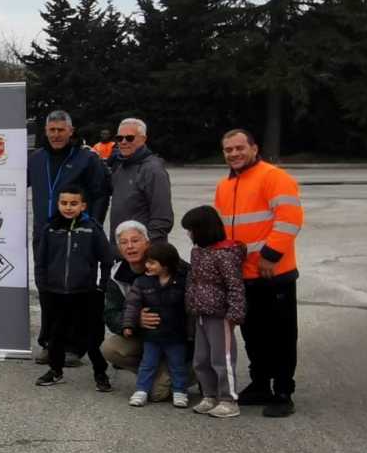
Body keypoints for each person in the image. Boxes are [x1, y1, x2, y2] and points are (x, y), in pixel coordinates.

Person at [215, 129, 304, 417]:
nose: (234, 154)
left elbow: (290, 219)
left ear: (254, 149)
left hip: (273, 274)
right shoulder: (225, 186)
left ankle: (283, 392)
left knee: (281, 335)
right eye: (228, 150)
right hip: (242, 276)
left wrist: (270, 255)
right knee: (253, 334)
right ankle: (260, 384)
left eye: (239, 148)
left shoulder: (274, 177)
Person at [28, 109, 110, 363]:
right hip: (45, 234)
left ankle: (74, 346)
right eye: (51, 130)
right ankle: (50, 342)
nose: (56, 135)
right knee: (46, 289)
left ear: (70, 131)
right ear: (45, 131)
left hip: (77, 235)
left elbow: (101, 193)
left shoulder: (87, 158)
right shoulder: (36, 159)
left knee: (77, 290)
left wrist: (92, 226)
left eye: (61, 130)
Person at [33, 184, 114, 391]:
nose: (68, 207)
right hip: (55, 292)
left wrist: (102, 286)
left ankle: (100, 373)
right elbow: (41, 261)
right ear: (58, 204)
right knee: (55, 335)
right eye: (64, 203)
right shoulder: (50, 229)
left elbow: (107, 259)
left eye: (74, 203)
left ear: (83, 206)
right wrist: (43, 287)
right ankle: (55, 370)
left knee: (92, 337)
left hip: (85, 293)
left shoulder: (92, 229)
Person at [102, 220, 188, 401]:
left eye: (135, 240)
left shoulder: (172, 264)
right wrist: (134, 320)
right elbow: (110, 314)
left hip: (177, 336)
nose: (130, 246)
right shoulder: (117, 275)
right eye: (124, 242)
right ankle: (155, 374)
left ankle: (191, 372)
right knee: (110, 349)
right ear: (119, 248)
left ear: (147, 243)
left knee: (158, 393)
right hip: (147, 337)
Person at [180, 204, 247, 418]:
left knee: (222, 359)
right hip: (200, 313)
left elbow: (235, 286)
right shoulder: (198, 252)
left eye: (191, 230)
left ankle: (228, 399)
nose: (189, 235)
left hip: (220, 316)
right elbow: (193, 280)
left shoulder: (225, 254)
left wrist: (234, 314)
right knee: (201, 359)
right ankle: (209, 395)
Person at [122, 241, 189, 407]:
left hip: (176, 335)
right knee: (147, 364)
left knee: (178, 365)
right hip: (151, 335)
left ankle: (180, 391)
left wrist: (192, 332)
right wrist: (129, 324)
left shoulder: (183, 282)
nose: (147, 266)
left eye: (152, 263)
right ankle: (141, 390)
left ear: (165, 265)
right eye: (147, 262)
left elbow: (190, 308)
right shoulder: (141, 282)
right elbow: (132, 305)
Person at [108, 118, 173, 244]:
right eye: (119, 138)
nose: (123, 142)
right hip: (122, 247)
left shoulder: (153, 170)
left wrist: (145, 244)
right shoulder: (120, 166)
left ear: (143, 139)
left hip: (144, 250)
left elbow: (162, 218)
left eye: (129, 138)